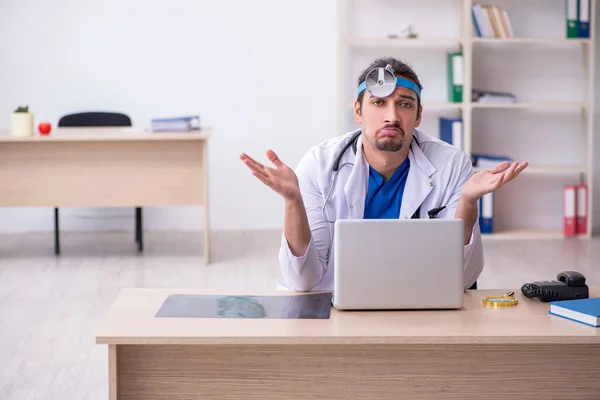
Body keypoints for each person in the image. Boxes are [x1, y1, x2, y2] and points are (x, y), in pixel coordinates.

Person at [240, 57, 528, 292]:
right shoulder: (318, 165)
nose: (392, 116)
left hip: (420, 302)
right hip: (339, 306)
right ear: (358, 111)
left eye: (404, 104)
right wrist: (293, 201)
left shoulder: (451, 164)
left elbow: (461, 279)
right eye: (378, 102)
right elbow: (301, 281)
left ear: (418, 116)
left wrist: (467, 202)